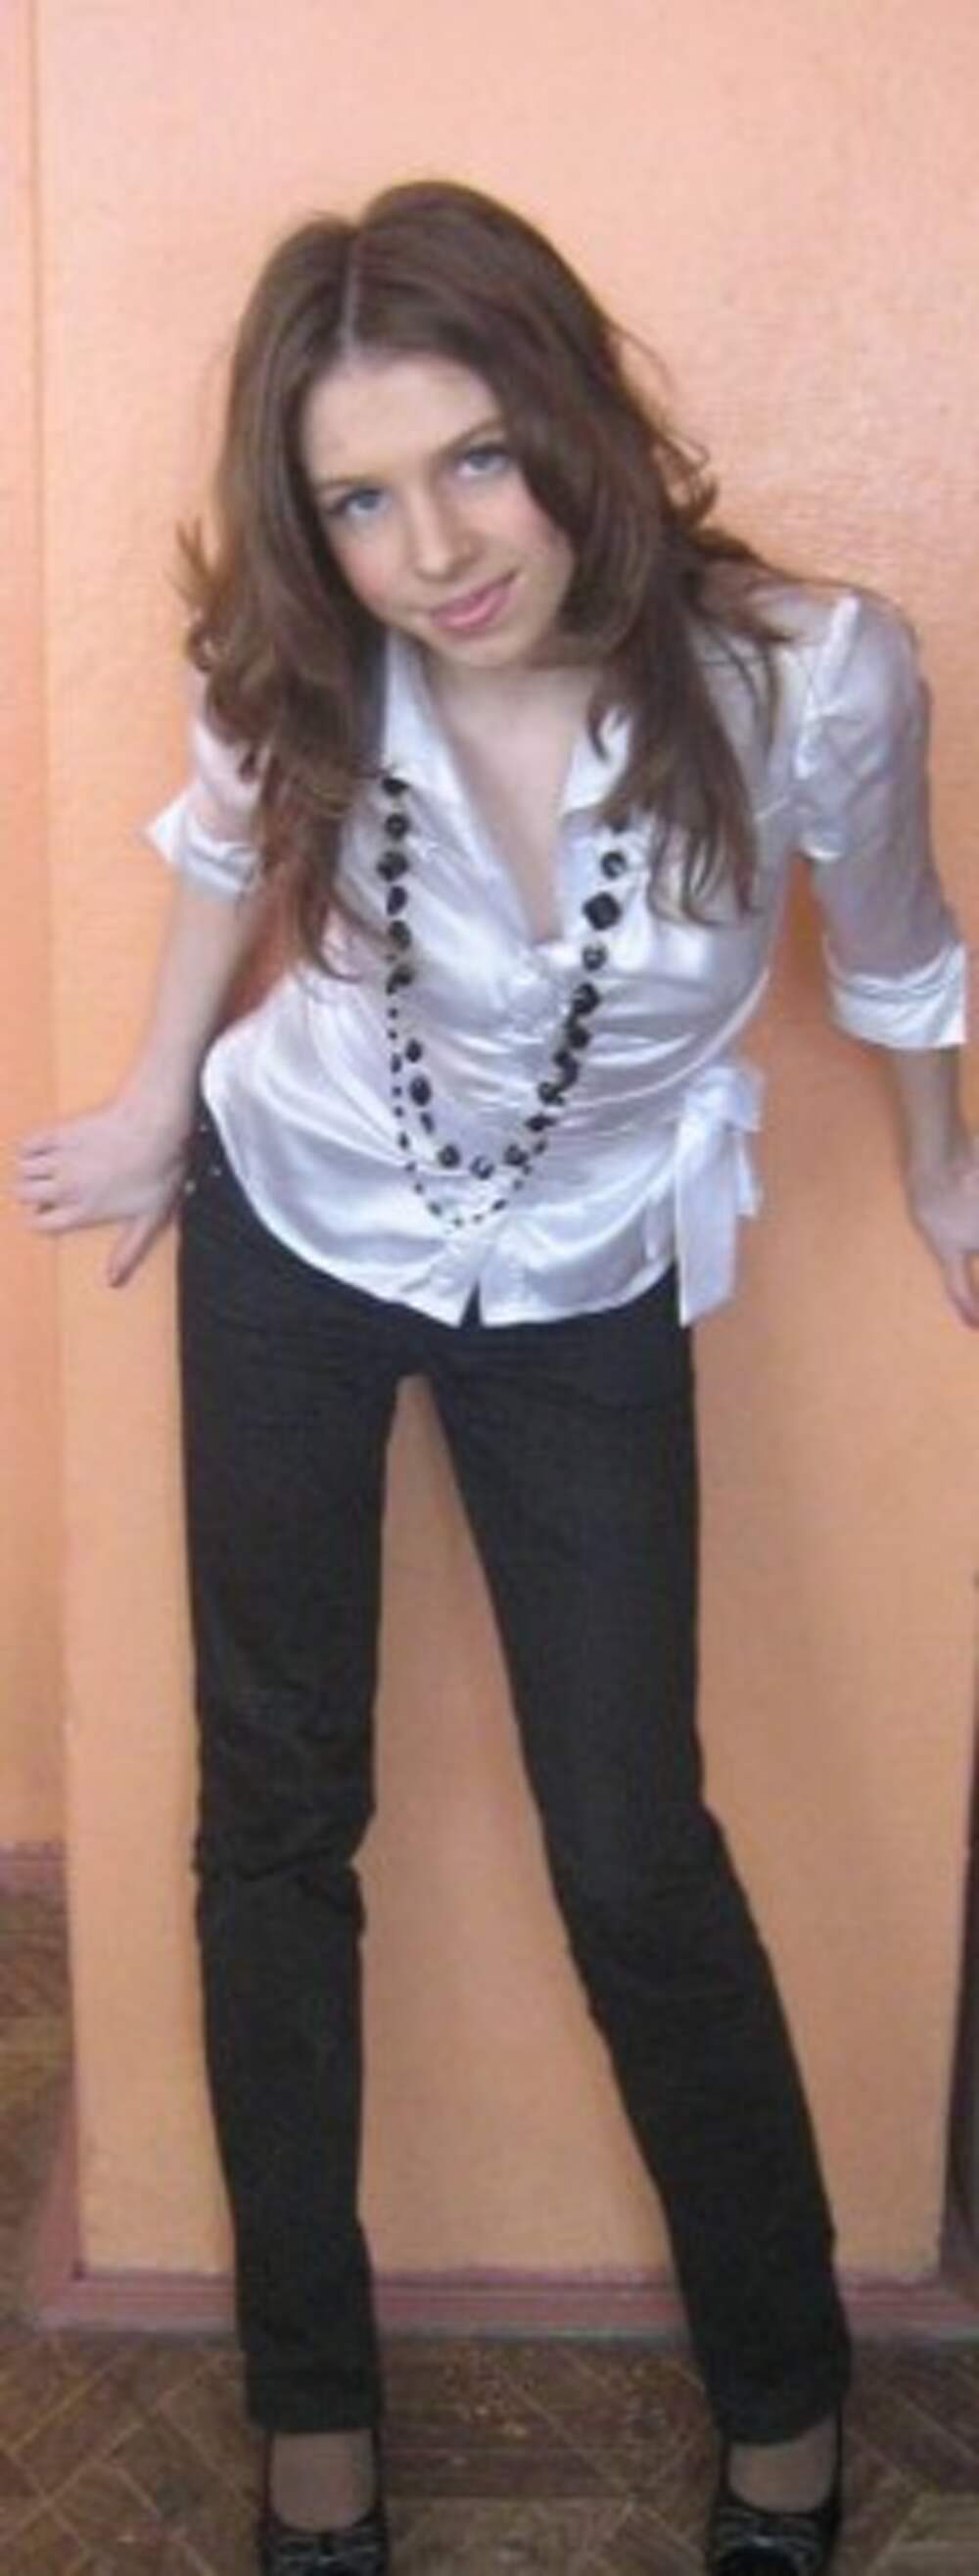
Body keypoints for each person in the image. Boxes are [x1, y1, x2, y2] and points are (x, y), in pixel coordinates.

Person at [15, 178, 978, 2576]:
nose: (430, 549)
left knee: (632, 1848)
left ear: (570, 411)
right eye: (358, 498)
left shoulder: (812, 680)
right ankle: (310, 2427)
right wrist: (149, 1098)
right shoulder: (309, 661)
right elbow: (219, 843)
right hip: (295, 1226)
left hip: (578, 1274)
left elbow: (891, 948)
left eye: (470, 458)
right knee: (274, 1819)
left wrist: (942, 1173)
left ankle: (785, 2409)